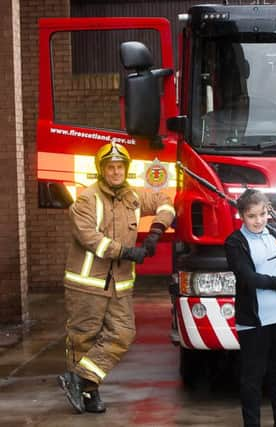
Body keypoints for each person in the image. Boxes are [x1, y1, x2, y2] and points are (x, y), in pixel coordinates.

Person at [58, 142, 175, 414]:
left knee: (123, 333)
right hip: (87, 283)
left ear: (126, 169)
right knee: (83, 337)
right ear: (102, 170)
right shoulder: (87, 199)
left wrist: (157, 230)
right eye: (110, 167)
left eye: (120, 167)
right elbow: (90, 238)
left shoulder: (133, 197)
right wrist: (125, 251)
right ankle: (90, 393)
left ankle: (82, 378)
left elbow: (165, 201)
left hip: (120, 285)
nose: (115, 172)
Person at [224, 188, 276, 427]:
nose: (259, 221)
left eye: (262, 214)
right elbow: (249, 278)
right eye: (252, 216)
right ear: (242, 215)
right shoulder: (234, 242)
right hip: (255, 320)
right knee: (252, 379)